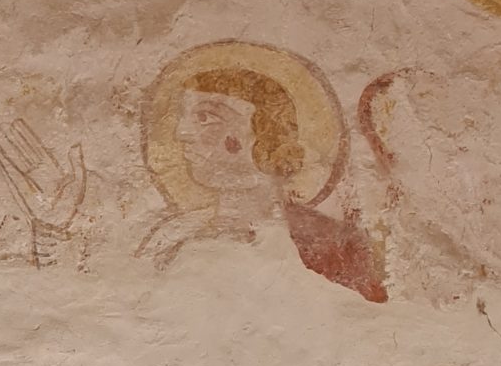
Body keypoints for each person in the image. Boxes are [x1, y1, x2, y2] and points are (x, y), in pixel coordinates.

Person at [143, 64, 387, 301]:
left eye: (205, 117)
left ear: (266, 131)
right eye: (182, 116)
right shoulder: (171, 236)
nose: (181, 133)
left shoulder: (330, 241)